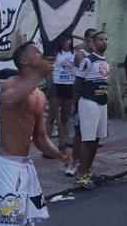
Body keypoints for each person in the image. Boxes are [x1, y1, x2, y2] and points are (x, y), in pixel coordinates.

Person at [0, 44, 66, 226]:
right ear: (24, 60)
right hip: (6, 166)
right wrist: (39, 75)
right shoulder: (10, 84)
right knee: (7, 221)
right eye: (37, 53)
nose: (41, 55)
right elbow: (9, 100)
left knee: (27, 221)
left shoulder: (39, 95)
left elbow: (40, 137)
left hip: (25, 167)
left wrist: (61, 155)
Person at [73, 30, 112, 189]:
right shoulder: (88, 61)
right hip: (89, 102)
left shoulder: (105, 62)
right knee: (87, 139)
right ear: (93, 43)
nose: (104, 42)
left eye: (106, 39)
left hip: (102, 102)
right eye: (101, 40)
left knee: (96, 139)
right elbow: (78, 83)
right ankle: (81, 174)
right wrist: (76, 106)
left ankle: (87, 170)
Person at [49, 35, 77, 176]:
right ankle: (50, 145)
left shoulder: (74, 53)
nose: (68, 42)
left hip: (69, 85)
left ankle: (62, 142)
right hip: (57, 84)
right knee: (54, 116)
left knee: (65, 117)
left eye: (69, 40)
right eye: (65, 40)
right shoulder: (56, 53)